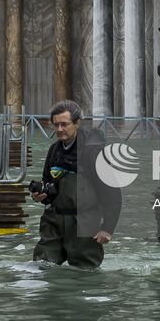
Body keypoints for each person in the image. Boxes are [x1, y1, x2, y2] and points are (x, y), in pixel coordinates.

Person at [31, 100, 121, 269]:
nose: (59, 129)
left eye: (64, 124)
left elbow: (112, 193)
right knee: (41, 267)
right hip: (54, 221)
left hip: (84, 224)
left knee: (85, 272)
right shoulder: (53, 150)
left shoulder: (94, 151)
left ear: (77, 123)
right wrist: (41, 196)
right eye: (55, 125)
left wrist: (108, 228)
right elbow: (48, 184)